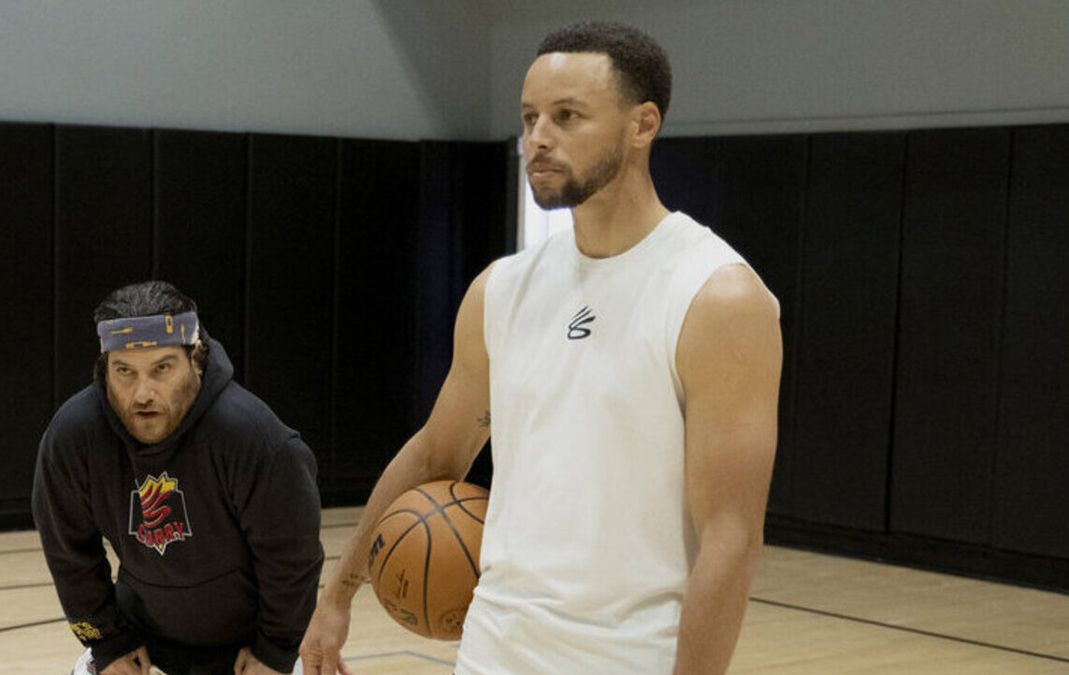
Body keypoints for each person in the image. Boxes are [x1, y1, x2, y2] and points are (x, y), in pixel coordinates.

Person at [301, 20, 782, 675]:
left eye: (567, 116)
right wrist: (338, 594)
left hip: (630, 658)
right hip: (494, 650)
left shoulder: (716, 297)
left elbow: (731, 537)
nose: (538, 138)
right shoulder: (501, 289)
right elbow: (434, 453)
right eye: (529, 118)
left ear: (643, 124)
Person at [33, 281, 323, 675]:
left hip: (248, 649)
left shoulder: (256, 440)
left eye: (162, 369)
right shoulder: (73, 437)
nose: (142, 394)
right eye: (124, 372)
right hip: (140, 642)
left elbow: (291, 559)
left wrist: (274, 650)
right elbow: (69, 552)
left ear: (197, 358)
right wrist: (106, 642)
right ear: (104, 369)